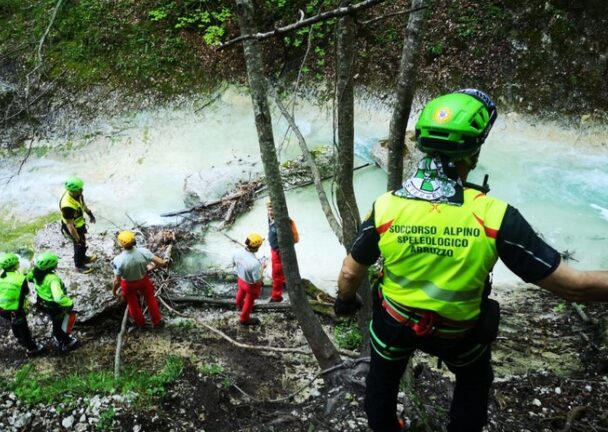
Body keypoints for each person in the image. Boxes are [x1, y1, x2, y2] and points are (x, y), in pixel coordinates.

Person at [334, 88, 608, 432]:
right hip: (459, 334)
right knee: (474, 381)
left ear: (421, 146)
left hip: (396, 323)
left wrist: (345, 302)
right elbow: (575, 287)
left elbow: (350, 272)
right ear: (474, 155)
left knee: (382, 378)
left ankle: (386, 426)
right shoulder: (495, 216)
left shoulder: (386, 206)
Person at [111, 230, 168, 329]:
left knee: (132, 304)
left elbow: (117, 281)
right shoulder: (143, 252)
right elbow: (161, 263)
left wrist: (114, 291)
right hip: (143, 280)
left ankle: (141, 324)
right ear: (134, 241)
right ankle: (157, 322)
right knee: (151, 299)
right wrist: (152, 267)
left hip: (128, 284)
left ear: (121, 244)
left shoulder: (118, 260)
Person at [28, 251, 79, 353]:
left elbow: (29, 278)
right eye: (56, 263)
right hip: (54, 306)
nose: (57, 264)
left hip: (43, 302)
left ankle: (59, 336)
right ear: (50, 266)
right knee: (59, 324)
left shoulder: (35, 272)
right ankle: (65, 342)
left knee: (56, 321)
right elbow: (58, 298)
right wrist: (69, 302)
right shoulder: (52, 279)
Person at [0, 253, 44, 356]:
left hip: (1, 308)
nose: (19, 263)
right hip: (15, 310)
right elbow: (26, 292)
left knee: (14, 323)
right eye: (17, 262)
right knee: (24, 330)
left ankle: (19, 338)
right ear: (13, 266)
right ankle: (32, 349)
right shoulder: (20, 279)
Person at [59, 176, 96, 272]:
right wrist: (76, 238)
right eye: (79, 189)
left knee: (83, 242)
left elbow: (83, 205)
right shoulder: (67, 206)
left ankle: (83, 258)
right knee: (79, 244)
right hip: (73, 227)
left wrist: (90, 214)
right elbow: (69, 225)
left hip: (79, 224)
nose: (82, 190)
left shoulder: (78, 195)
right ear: (73, 191)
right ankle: (79, 265)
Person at [267, 200, 299, 303]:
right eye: (268, 208)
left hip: (279, 252)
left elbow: (289, 239)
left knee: (277, 274)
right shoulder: (271, 217)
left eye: (271, 209)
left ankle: (276, 297)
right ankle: (284, 281)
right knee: (276, 270)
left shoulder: (283, 222)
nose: (269, 211)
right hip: (274, 249)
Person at [233, 233, 266, 326]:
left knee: (240, 293)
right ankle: (244, 319)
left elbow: (234, 264)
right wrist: (262, 268)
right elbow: (257, 280)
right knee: (249, 300)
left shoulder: (237, 252)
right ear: (257, 247)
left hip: (240, 279)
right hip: (250, 285)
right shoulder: (255, 264)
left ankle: (239, 305)